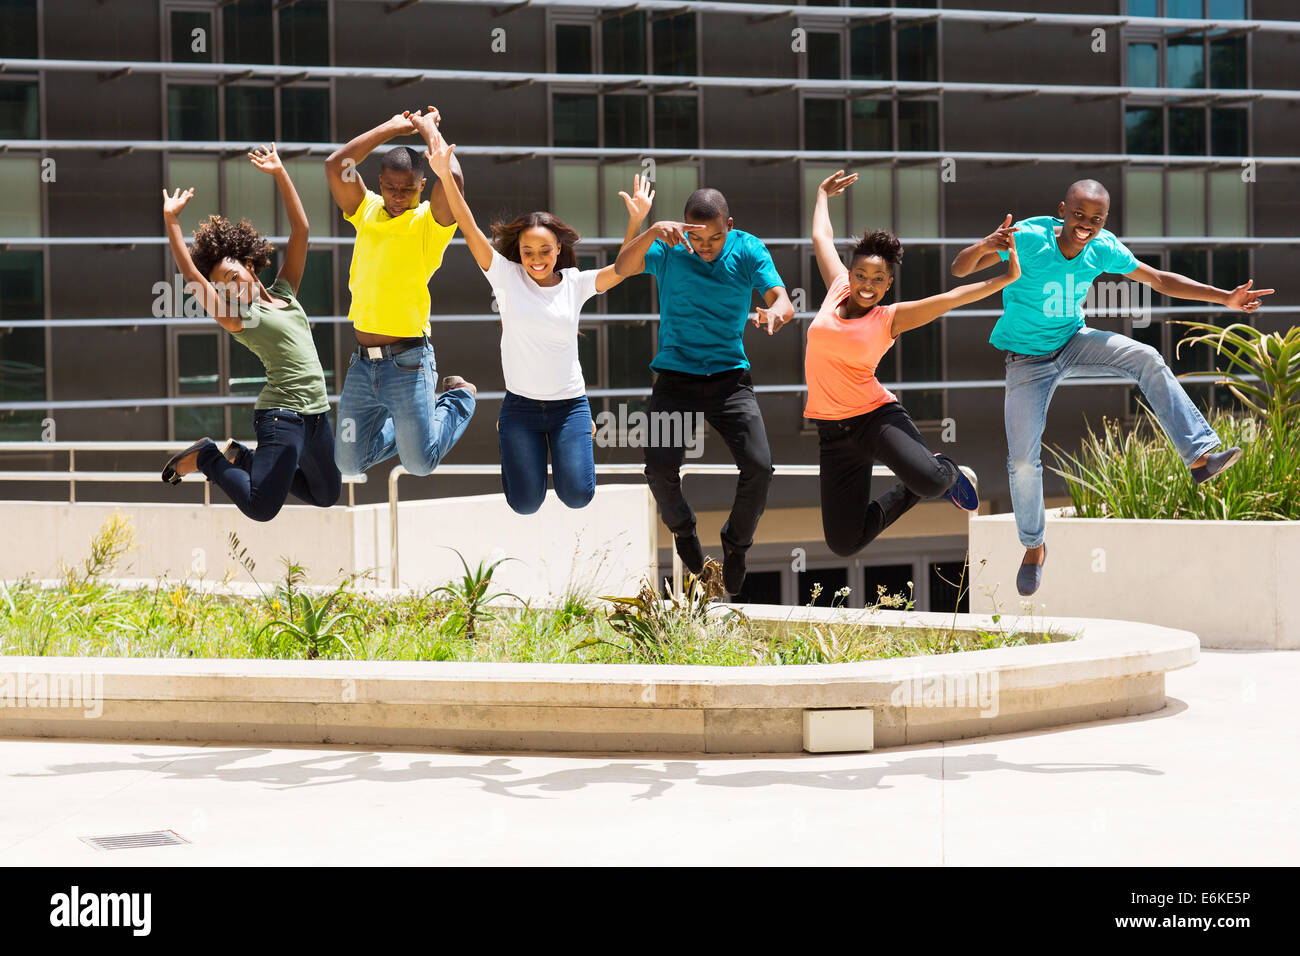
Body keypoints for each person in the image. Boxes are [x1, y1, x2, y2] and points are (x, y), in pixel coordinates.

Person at [951, 178, 1274, 595]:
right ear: (1063, 210)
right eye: (1079, 216)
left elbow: (1159, 279)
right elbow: (959, 269)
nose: (1086, 225)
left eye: (1096, 219)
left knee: (1146, 357)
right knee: (1023, 462)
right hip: (1026, 362)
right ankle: (1034, 546)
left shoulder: (1103, 246)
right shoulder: (1028, 238)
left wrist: (1223, 298)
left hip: (1072, 342)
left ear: (1105, 221)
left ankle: (1198, 457)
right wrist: (984, 246)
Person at [422, 127, 652, 513]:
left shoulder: (575, 284)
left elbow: (624, 269)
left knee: (577, 496)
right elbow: (468, 226)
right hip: (521, 408)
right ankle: (483, 413)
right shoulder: (506, 276)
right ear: (520, 253)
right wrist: (445, 175)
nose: (536, 258)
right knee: (524, 504)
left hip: (569, 407)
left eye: (545, 250)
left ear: (558, 248)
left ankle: (579, 434)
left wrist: (636, 222)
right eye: (528, 251)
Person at [807, 171, 1020, 557]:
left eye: (878, 278)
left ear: (888, 284)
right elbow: (821, 238)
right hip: (833, 435)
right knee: (844, 542)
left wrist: (1005, 278)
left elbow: (952, 298)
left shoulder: (890, 318)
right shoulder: (836, 288)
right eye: (860, 275)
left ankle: (942, 469)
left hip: (875, 419)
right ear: (851, 274)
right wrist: (822, 194)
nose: (866, 284)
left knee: (933, 483)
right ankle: (915, 481)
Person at [614, 187, 795, 596]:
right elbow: (623, 266)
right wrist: (644, 226)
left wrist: (777, 313)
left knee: (760, 468)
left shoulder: (747, 249)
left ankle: (736, 545)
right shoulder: (669, 245)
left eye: (714, 238)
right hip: (675, 379)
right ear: (684, 228)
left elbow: (782, 299)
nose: (705, 247)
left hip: (729, 380)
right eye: (697, 238)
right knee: (659, 469)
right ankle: (683, 532)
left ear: (728, 226)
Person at [159, 143, 341, 521]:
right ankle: (208, 456)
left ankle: (240, 457)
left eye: (231, 276)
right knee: (261, 507)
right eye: (221, 286)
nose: (229, 287)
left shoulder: (284, 291)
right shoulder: (239, 317)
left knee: (326, 495)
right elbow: (193, 278)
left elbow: (302, 230)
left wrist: (280, 173)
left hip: (318, 416)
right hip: (283, 417)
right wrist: (172, 222)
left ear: (248, 265)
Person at [324, 106, 475, 478]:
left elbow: (452, 178)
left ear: (421, 186)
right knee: (347, 462)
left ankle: (458, 398)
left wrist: (427, 130)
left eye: (407, 189)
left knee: (419, 463)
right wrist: (390, 127)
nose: (397, 196)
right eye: (390, 187)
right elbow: (336, 165)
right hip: (362, 364)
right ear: (379, 183)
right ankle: (413, 427)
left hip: (409, 362)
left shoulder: (429, 223)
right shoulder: (366, 209)